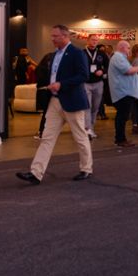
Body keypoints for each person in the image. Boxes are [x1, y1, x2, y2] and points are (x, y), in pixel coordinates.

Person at [16, 25, 93, 184]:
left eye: (55, 36)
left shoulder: (77, 53)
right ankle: (36, 173)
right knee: (47, 138)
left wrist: (61, 84)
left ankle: (86, 168)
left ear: (65, 36)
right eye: (52, 36)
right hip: (55, 101)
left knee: (80, 137)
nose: (52, 38)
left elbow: (83, 75)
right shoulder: (53, 55)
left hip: (72, 101)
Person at [108, 41, 138, 147]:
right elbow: (128, 71)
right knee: (122, 116)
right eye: (128, 48)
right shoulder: (118, 57)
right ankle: (120, 139)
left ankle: (120, 138)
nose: (129, 50)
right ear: (121, 47)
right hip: (122, 92)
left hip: (123, 91)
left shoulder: (120, 57)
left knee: (123, 116)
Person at [83, 34, 109, 139]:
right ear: (88, 40)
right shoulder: (82, 53)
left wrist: (102, 71)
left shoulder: (101, 53)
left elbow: (108, 66)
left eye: (96, 40)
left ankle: (91, 127)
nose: (94, 42)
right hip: (86, 84)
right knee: (87, 106)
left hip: (98, 83)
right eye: (93, 40)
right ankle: (87, 129)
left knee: (95, 107)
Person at [32, 51, 53, 140]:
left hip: (43, 92)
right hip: (45, 92)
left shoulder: (40, 68)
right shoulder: (45, 69)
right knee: (47, 113)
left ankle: (42, 132)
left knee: (47, 113)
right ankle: (42, 132)